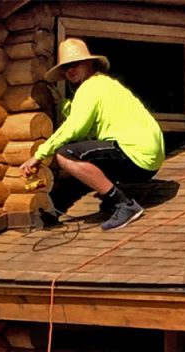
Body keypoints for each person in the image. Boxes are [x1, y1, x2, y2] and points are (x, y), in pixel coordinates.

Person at [20, 38, 165, 231]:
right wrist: (62, 104)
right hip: (150, 159)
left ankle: (123, 205)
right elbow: (84, 125)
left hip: (135, 156)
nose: (71, 70)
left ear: (89, 63)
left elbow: (75, 128)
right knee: (86, 158)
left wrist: (38, 156)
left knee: (66, 155)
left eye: (76, 64)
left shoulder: (90, 87)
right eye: (66, 67)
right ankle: (57, 210)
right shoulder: (104, 85)